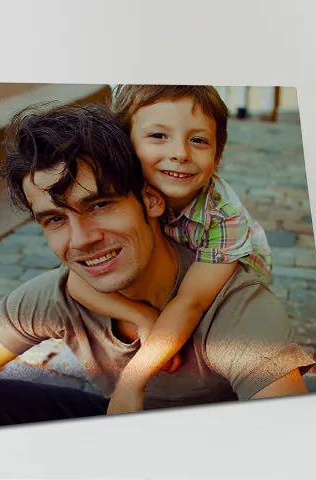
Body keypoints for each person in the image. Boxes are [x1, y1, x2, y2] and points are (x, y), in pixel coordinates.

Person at [0, 101, 315, 433]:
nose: (81, 239)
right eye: (55, 219)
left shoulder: (236, 309)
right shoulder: (62, 294)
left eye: (100, 205)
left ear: (152, 200)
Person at [66, 85, 273, 414]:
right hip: (171, 270)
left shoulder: (225, 218)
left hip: (221, 279)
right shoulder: (124, 192)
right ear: (126, 145)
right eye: (159, 136)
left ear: (217, 157)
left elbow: (192, 302)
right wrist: (141, 315)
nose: (181, 153)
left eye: (199, 140)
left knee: (201, 327)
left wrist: (134, 380)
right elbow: (75, 282)